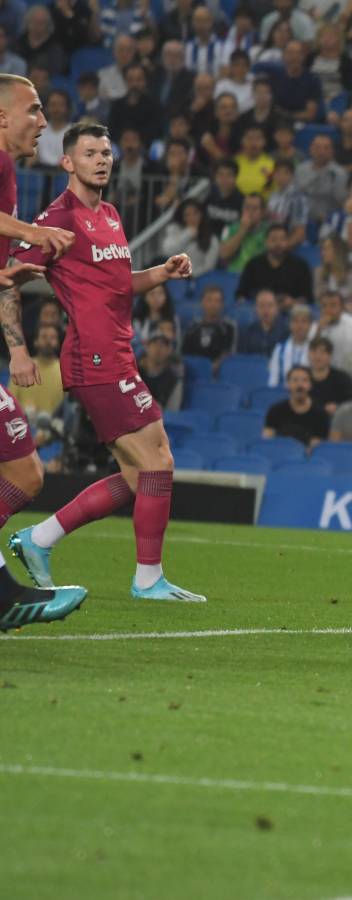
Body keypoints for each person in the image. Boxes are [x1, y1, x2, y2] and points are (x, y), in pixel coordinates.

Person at [11, 123, 204, 603]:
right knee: (158, 462)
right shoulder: (58, 218)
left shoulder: (111, 215)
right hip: (94, 359)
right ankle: (148, 579)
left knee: (141, 474)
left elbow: (118, 286)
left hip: (118, 355)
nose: (102, 160)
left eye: (107, 152)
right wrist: (17, 349)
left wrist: (160, 273)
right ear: (67, 162)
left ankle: (40, 538)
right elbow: (10, 278)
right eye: (90, 153)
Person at [0, 75, 90, 626]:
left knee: (25, 473)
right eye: (33, 110)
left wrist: (15, 348)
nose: (43, 121)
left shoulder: (8, 176)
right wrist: (33, 235)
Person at [238, 224, 313, 305]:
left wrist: (293, 302)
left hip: (291, 310)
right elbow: (241, 295)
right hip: (259, 310)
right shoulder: (253, 265)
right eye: (273, 240)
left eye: (282, 239)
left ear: (287, 241)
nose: (278, 244)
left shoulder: (300, 266)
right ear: (266, 242)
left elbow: (307, 298)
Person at [263, 365, 329, 448]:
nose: (300, 385)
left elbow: (316, 448)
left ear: (310, 385)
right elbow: (267, 442)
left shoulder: (320, 414)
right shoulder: (275, 411)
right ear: (288, 384)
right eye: (295, 380)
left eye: (304, 380)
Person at [181, 285, 237, 369]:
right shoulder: (192, 327)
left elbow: (228, 354)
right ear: (202, 302)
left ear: (222, 304)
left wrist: (211, 368)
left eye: (217, 301)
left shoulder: (229, 327)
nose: (213, 305)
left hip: (218, 371)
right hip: (193, 370)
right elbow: (184, 354)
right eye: (209, 300)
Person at [268, 304, 314, 387]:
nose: (300, 326)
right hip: (283, 392)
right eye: (296, 321)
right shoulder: (280, 349)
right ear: (290, 324)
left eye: (304, 321)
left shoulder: (315, 349)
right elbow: (273, 380)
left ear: (310, 325)